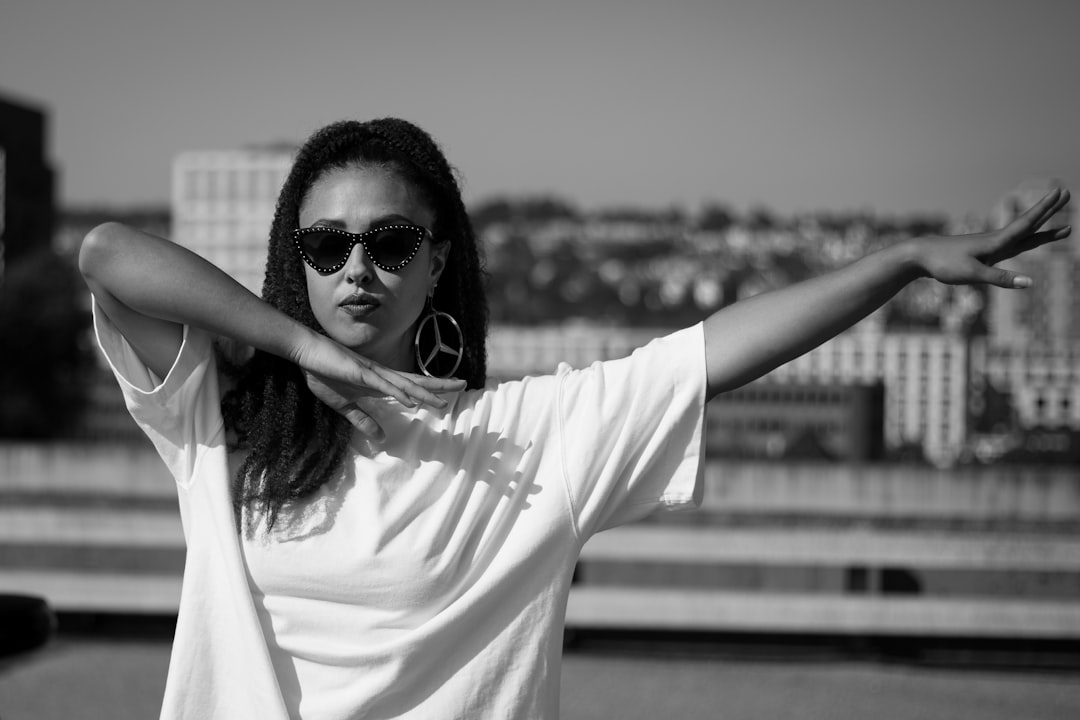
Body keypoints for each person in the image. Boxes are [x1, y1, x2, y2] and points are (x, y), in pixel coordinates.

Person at [79, 117, 1071, 720]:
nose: (356, 270)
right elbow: (109, 254)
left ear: (437, 263)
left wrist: (897, 262)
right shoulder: (231, 412)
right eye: (326, 243)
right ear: (293, 257)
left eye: (389, 241)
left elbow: (720, 348)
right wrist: (304, 351)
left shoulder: (528, 436)